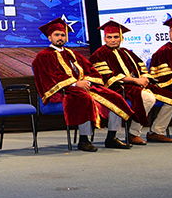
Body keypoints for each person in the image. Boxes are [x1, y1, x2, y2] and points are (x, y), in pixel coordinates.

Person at [31, 17, 135, 151]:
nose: (60, 38)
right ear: (49, 37)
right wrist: (75, 84)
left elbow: (90, 70)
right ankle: (84, 140)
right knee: (84, 99)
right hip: (62, 91)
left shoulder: (72, 53)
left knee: (114, 97)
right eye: (57, 35)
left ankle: (111, 137)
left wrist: (87, 81)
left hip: (84, 88)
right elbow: (50, 77)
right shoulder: (43, 56)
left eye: (63, 35)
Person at [90, 21, 172, 144]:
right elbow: (107, 77)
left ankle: (157, 131)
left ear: (121, 38)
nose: (113, 40)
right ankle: (133, 133)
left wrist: (144, 78)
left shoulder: (126, 52)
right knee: (148, 98)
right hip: (117, 87)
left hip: (137, 85)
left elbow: (141, 66)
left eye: (116, 37)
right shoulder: (98, 54)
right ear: (104, 38)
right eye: (109, 37)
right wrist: (135, 80)